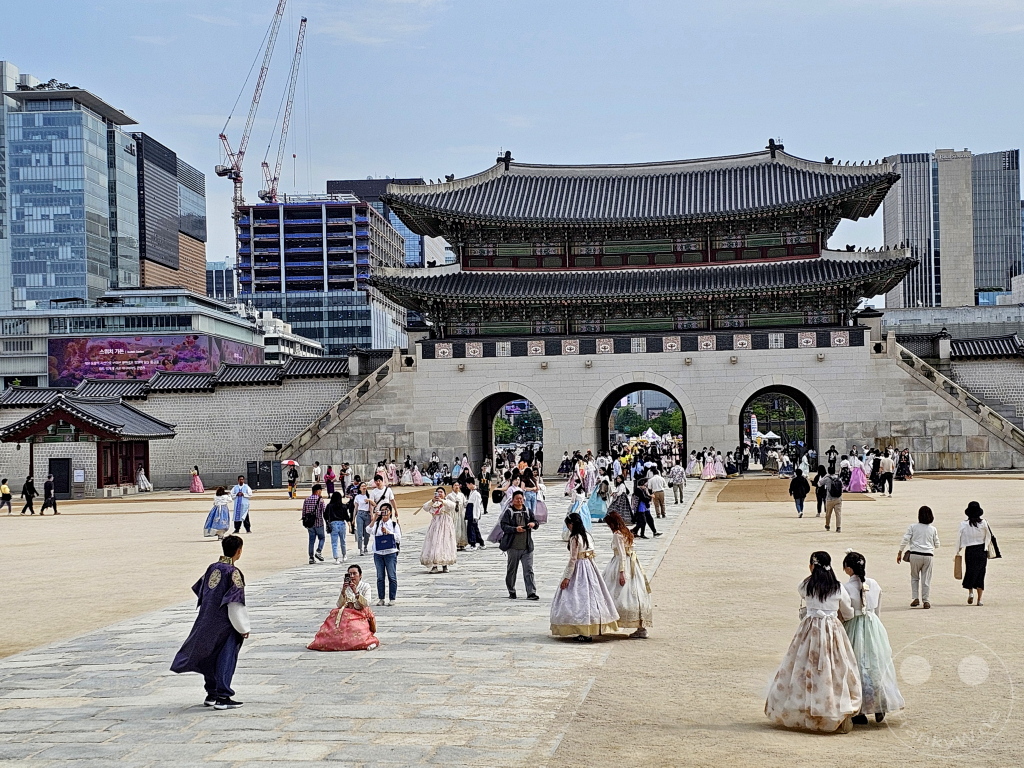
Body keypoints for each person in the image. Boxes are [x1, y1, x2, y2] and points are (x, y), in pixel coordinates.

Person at [765, 551, 861, 733]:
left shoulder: (806, 585)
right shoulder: (838, 587)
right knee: (835, 667)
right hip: (832, 629)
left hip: (809, 628)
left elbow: (801, 589)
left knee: (802, 666)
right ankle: (835, 709)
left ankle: (802, 708)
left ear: (812, 566)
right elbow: (848, 613)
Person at [170, 535, 250, 710]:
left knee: (210, 656)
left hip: (206, 620)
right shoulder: (233, 572)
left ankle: (211, 693)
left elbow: (201, 590)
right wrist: (243, 627)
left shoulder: (212, 567)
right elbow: (234, 603)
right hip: (225, 624)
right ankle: (223, 696)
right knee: (225, 658)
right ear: (239, 551)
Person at [841, 551, 904, 724]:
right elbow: (877, 609)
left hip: (854, 625)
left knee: (855, 665)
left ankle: (859, 710)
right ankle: (880, 703)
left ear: (848, 569)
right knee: (876, 664)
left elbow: (845, 612)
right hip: (873, 625)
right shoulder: (873, 583)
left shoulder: (845, 588)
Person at [550, 512, 620, 642]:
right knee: (592, 596)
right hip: (589, 565)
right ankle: (592, 625)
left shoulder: (575, 538)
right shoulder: (587, 535)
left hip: (579, 567)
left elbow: (573, 559)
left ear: (571, 524)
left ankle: (582, 628)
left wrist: (567, 577)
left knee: (578, 598)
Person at [307, 564, 379, 652]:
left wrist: (356, 592)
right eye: (350, 574)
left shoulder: (365, 586)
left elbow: (366, 603)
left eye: (354, 574)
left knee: (355, 628)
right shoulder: (345, 587)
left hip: (360, 611)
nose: (352, 576)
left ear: (360, 575)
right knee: (334, 623)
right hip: (346, 611)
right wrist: (343, 591)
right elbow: (339, 604)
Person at [602, 510, 652, 638]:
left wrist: (622, 572)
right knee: (635, 593)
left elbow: (622, 555)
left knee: (613, 593)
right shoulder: (627, 532)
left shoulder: (617, 535)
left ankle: (609, 621)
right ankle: (641, 626)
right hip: (633, 564)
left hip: (621, 563)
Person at [897, 505, 940, 609]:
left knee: (914, 577)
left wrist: (900, 552)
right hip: (928, 555)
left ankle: (915, 598)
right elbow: (937, 544)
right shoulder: (933, 529)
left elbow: (905, 539)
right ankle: (926, 600)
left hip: (915, 555)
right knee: (926, 579)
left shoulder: (912, 527)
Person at [499, 490, 539, 600]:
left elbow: (536, 523)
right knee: (511, 570)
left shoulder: (528, 511)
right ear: (512, 500)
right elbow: (503, 526)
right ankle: (511, 590)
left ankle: (531, 593)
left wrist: (533, 524)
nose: (519, 501)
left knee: (529, 570)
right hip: (513, 547)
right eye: (517, 499)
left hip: (527, 547)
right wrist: (515, 529)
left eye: (521, 499)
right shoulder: (509, 512)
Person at [957, 501, 993, 606]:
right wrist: (986, 547)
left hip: (970, 550)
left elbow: (959, 538)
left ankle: (971, 593)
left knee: (970, 571)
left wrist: (958, 550)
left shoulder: (963, 524)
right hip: (981, 550)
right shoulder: (984, 523)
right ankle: (979, 599)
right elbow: (989, 536)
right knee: (981, 573)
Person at [414, 487, 457, 573]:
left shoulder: (447, 502)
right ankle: (434, 565)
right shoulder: (433, 503)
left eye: (441, 492)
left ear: (445, 494)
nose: (439, 494)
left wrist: (442, 501)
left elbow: (453, 506)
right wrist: (432, 501)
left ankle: (445, 565)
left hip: (445, 525)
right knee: (434, 543)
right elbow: (425, 507)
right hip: (435, 525)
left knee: (445, 543)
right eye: (438, 492)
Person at [367, 502, 401, 605]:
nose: (384, 512)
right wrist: (374, 518)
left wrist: (388, 532)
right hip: (378, 552)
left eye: (386, 510)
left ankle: (392, 598)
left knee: (392, 576)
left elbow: (398, 538)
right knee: (380, 577)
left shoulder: (394, 524)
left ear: (390, 512)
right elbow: (368, 530)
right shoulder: (377, 524)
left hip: (390, 552)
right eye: (382, 510)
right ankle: (381, 598)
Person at [302, 484, 327, 565]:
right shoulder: (320, 500)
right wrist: (327, 522)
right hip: (319, 523)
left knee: (311, 541)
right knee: (322, 538)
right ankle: (318, 551)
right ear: (318, 491)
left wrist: (305, 522)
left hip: (310, 524)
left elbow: (304, 512)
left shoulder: (306, 500)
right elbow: (324, 512)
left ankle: (311, 557)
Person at [324, 490, 351, 565]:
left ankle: (336, 558)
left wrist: (328, 522)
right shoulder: (343, 506)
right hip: (342, 523)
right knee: (343, 541)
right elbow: (346, 516)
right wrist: (350, 526)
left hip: (333, 524)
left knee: (334, 542)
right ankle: (344, 555)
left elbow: (325, 515)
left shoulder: (329, 506)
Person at [818, 466, 843, 533]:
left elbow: (819, 484)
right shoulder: (838, 478)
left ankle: (827, 525)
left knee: (828, 514)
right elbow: (842, 487)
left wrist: (826, 476)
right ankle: (838, 527)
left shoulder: (827, 478)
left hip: (830, 498)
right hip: (838, 498)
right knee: (838, 514)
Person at [464, 477, 485, 549]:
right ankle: (481, 543)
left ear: (470, 484)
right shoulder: (472, 492)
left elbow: (477, 506)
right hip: (470, 512)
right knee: (475, 528)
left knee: (471, 529)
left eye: (467, 484)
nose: (467, 486)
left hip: (473, 513)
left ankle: (473, 544)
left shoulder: (477, 493)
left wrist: (475, 516)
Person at [353, 482, 372, 556]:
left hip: (367, 514)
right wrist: (353, 518)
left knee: (367, 533)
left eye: (365, 486)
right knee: (360, 533)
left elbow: (371, 506)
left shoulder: (369, 496)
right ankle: (360, 548)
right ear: (360, 488)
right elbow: (355, 508)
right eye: (362, 486)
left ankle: (365, 546)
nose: (364, 487)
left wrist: (372, 515)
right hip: (360, 514)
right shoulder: (357, 497)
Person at [450, 480, 469, 551]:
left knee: (462, 527)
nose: (457, 487)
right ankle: (454, 543)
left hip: (461, 513)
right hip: (454, 513)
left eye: (458, 485)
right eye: (455, 485)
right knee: (455, 527)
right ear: (452, 487)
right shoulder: (449, 496)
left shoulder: (461, 495)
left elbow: (465, 503)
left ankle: (462, 543)